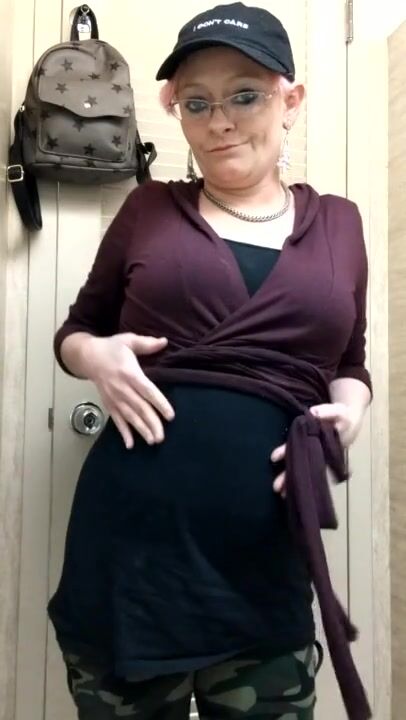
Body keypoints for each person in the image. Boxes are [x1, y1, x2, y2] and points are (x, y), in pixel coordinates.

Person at [48, 4, 373, 719]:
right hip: (132, 556)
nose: (220, 121)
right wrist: (96, 357)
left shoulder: (340, 224)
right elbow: (77, 331)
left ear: (291, 100)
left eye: (244, 95)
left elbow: (350, 362)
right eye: (197, 103)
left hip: (265, 563)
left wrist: (349, 412)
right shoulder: (148, 209)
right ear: (179, 114)